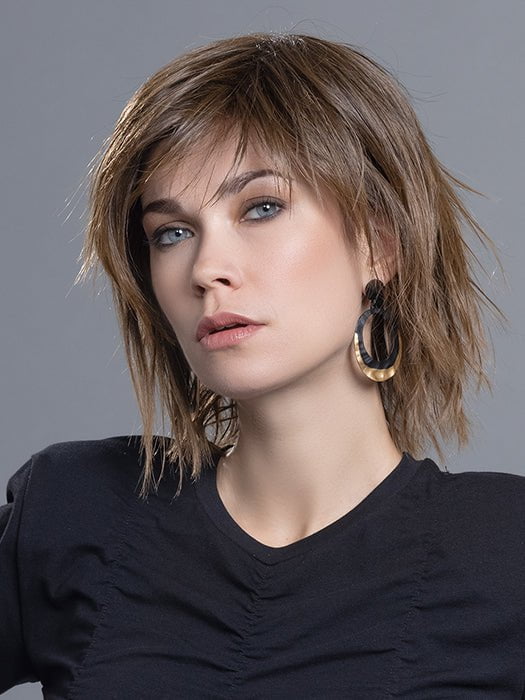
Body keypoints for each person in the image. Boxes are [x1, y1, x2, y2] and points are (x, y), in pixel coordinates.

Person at [1, 33, 523, 698]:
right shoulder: (76, 510)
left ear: (379, 244)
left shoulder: (502, 548)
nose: (206, 268)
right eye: (172, 232)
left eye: (261, 208)